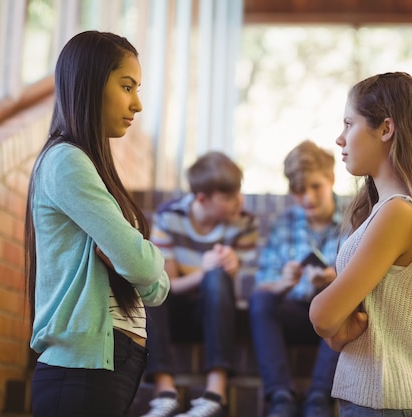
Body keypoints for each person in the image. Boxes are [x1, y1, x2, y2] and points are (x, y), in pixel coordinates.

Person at [24, 31, 171, 417]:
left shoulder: (88, 166)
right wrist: (146, 257)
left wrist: (140, 257)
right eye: (127, 86)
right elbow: (142, 266)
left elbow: (157, 290)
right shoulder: (66, 161)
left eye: (137, 89)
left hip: (104, 367)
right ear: (89, 83)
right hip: (80, 372)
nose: (137, 104)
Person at [309, 72, 412, 417]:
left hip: (389, 406)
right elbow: (338, 327)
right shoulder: (388, 211)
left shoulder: (398, 212)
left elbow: (323, 315)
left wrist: (331, 322)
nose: (340, 138)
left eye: (349, 123)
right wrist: (338, 330)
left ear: (385, 129)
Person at [141, 151, 259, 417]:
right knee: (149, 285)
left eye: (238, 192)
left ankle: (215, 392)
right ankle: (165, 392)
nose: (238, 201)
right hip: (175, 311)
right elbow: (166, 284)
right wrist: (203, 272)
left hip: (218, 312)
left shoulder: (245, 221)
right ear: (202, 198)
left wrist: (236, 268)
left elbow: (250, 289)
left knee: (217, 277)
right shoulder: (169, 217)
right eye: (228, 197)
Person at [249, 140, 343, 417]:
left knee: (349, 304)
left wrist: (332, 281)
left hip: (334, 315)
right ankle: (281, 397)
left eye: (316, 187)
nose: (308, 198)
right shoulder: (284, 222)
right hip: (294, 310)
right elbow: (263, 283)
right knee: (261, 301)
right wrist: (284, 283)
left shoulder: (355, 219)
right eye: (299, 191)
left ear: (331, 179)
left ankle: (318, 398)